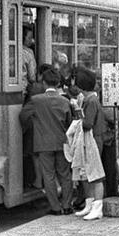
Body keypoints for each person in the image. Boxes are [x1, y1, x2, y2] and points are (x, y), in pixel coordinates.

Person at [19, 68, 74, 215]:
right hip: (62, 142)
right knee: (65, 175)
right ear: (58, 83)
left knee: (48, 176)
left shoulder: (36, 100)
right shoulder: (64, 101)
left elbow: (23, 116)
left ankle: (55, 208)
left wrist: (33, 125)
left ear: (44, 83)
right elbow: (70, 123)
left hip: (43, 143)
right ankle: (67, 206)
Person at [72, 67, 107, 220]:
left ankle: (97, 207)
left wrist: (77, 111)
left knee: (95, 173)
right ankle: (90, 204)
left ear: (81, 85)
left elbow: (87, 124)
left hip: (93, 139)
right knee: (87, 173)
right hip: (90, 138)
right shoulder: (89, 99)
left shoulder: (91, 101)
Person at [21, 25, 37, 92]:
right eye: (29, 38)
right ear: (23, 37)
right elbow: (32, 77)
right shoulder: (28, 53)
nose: (32, 40)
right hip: (24, 87)